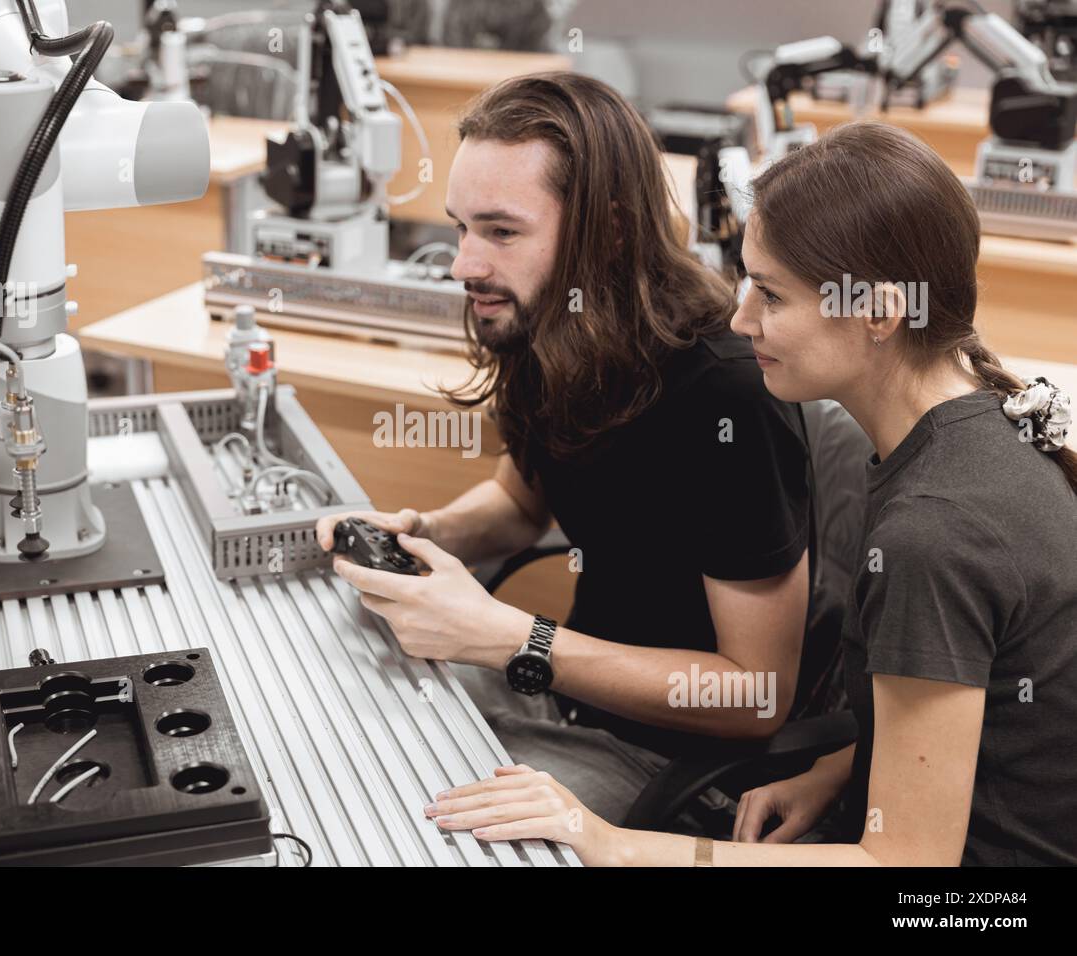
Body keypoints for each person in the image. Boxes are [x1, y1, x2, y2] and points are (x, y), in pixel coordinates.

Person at [425, 122, 1077, 866]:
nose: (741, 320)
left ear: (879, 313)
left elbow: (903, 868)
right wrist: (835, 771)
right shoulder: (970, 437)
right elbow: (972, 702)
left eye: (770, 294)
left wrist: (611, 844)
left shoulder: (934, 532)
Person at [316, 72, 812, 828]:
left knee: (380, 818)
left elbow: (753, 697)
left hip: (667, 757)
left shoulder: (724, 393)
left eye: (502, 232)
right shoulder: (548, 325)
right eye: (460, 228)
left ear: (607, 232)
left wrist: (517, 638)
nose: (464, 265)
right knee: (327, 720)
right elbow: (520, 503)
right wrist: (421, 536)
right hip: (559, 696)